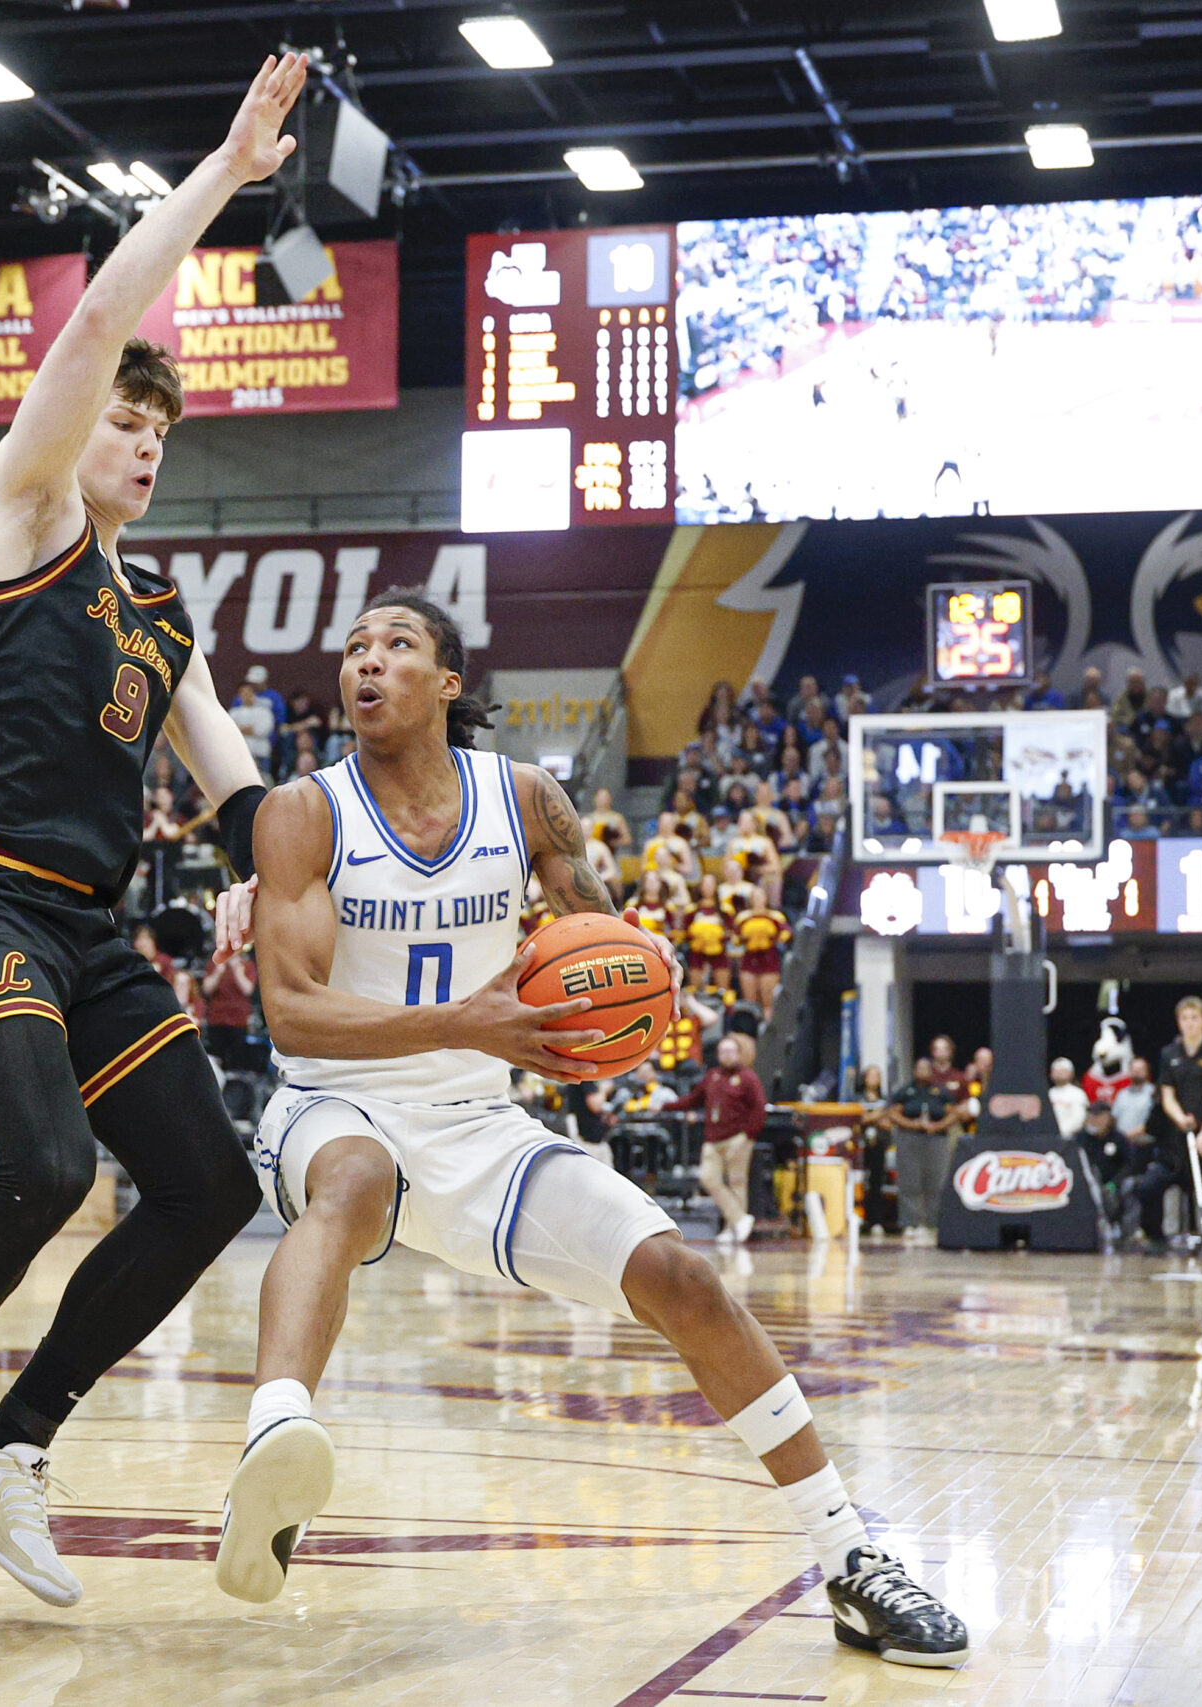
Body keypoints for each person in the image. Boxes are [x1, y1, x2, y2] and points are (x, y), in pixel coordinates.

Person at [217, 590, 966, 1668]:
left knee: (682, 1277)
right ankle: (274, 1438)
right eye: (353, 649)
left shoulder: (526, 800)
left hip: (480, 1118)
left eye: (395, 645)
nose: (365, 663)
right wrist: (465, 1018)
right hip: (336, 1099)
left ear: (448, 682)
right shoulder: (303, 811)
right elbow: (292, 1013)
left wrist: (625, 976)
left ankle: (851, 1557)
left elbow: (598, 934)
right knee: (354, 1179)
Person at [0, 56, 295, 1616]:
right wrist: (225, 174)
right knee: (42, 1164)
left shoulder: (163, 611)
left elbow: (235, 782)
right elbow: (96, 328)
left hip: (89, 925)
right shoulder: (20, 519)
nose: (142, 444)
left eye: (163, 431)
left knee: (210, 1187)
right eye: (126, 423)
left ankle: (10, 1445)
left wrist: (271, 873)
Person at [1127, 996, 1202, 1252]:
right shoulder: (1169, 1054)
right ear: (1178, 1022)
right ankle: (1155, 1239)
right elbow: (1167, 1096)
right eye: (1185, 1018)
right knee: (1148, 1187)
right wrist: (1180, 1119)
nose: (1190, 1023)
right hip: (1176, 1142)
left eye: (1195, 1018)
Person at [670, 1034, 768, 1243]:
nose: (726, 1055)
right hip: (713, 1138)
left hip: (737, 1139)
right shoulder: (713, 1076)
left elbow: (759, 1109)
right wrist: (664, 1105)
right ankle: (740, 1219)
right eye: (723, 1051)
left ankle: (733, 1229)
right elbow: (693, 1100)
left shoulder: (748, 1077)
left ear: (739, 1054)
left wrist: (747, 1135)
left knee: (737, 1183)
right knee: (708, 1178)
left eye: (731, 1051)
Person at [888, 1058, 957, 1242]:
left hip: (936, 1139)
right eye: (920, 1068)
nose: (923, 1071)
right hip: (910, 1138)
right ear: (914, 1070)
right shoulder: (906, 1091)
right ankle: (909, 1223)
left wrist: (938, 1125)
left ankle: (934, 1222)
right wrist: (912, 1124)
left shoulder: (940, 1091)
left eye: (926, 1068)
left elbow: (953, 1113)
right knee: (910, 1181)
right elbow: (893, 1113)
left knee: (936, 1181)